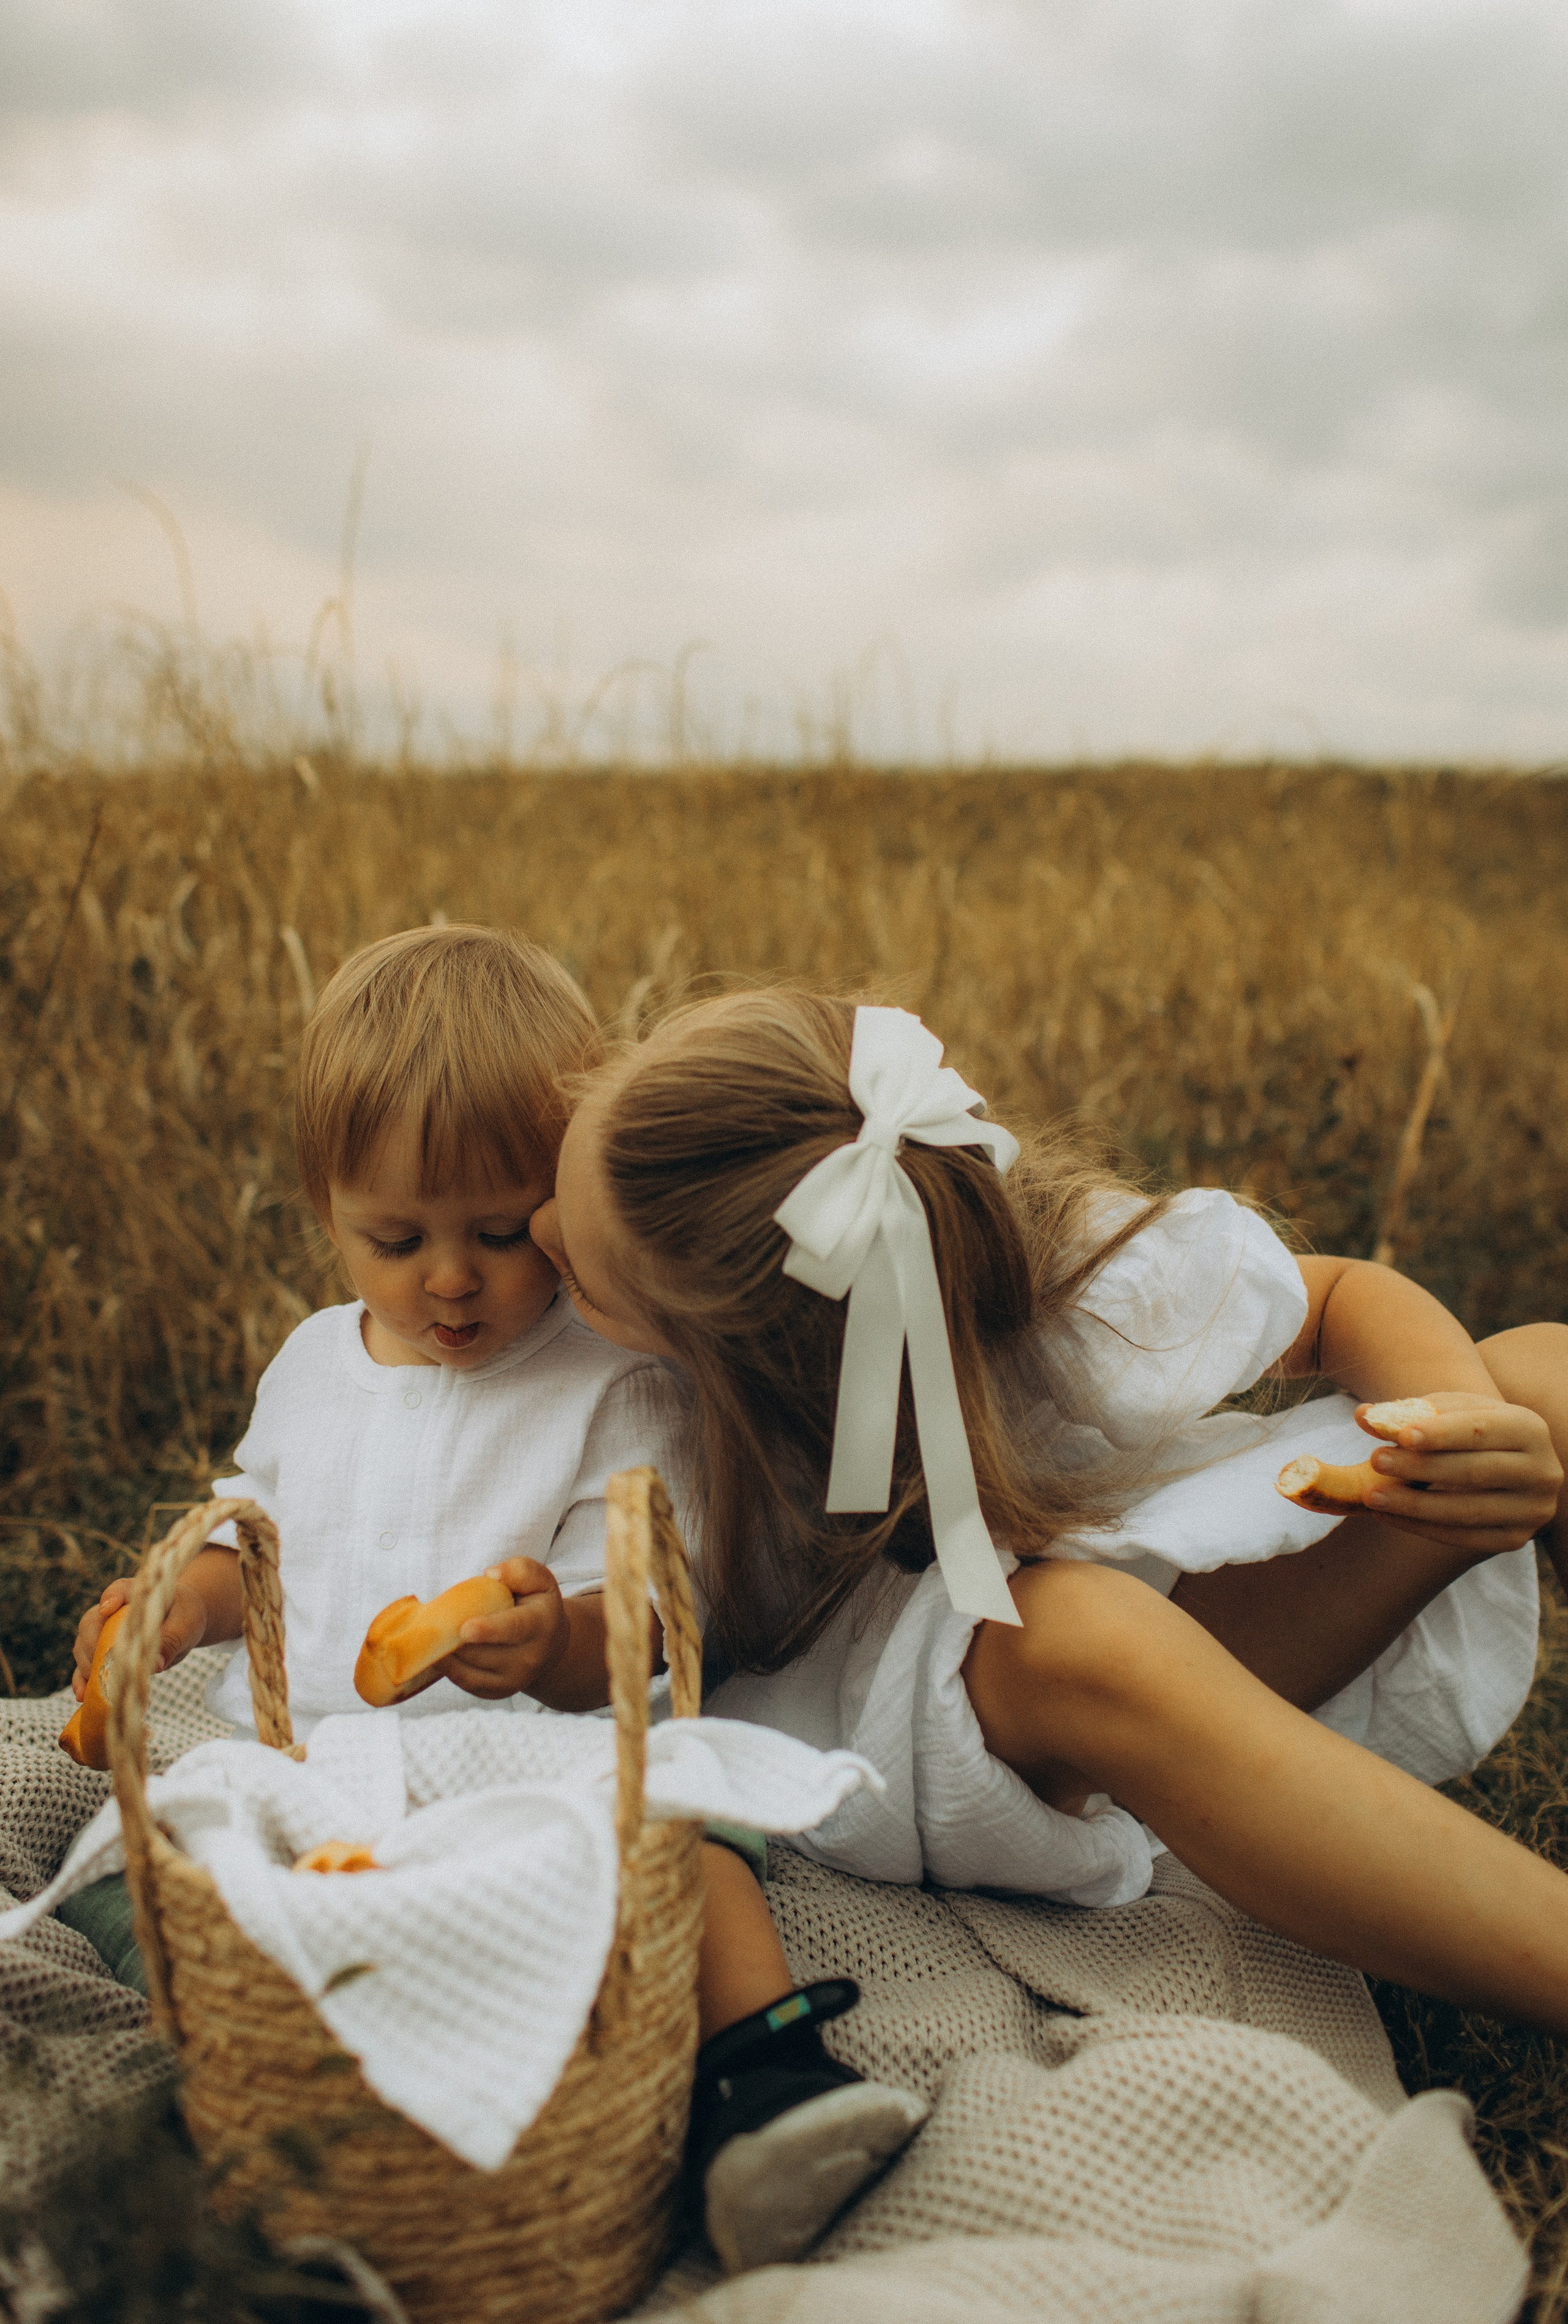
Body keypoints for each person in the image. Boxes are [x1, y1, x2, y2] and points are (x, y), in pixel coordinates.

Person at [64, 931, 924, 2274]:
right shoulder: (308, 1366)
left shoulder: (608, 1378)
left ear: (565, 1202)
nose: (450, 1279)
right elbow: (268, 1546)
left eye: (502, 1232)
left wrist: (555, 1642)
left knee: (690, 1816)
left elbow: (647, 1614)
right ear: (325, 1203)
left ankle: (764, 2084)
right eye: (394, 1238)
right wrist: (186, 1605)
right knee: (148, 1863)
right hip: (313, 1762)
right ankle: (246, 2081)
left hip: (533, 1758)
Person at [527, 987, 1568, 2036]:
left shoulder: (1023, 1255)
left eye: (573, 1269)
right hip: (930, 1706)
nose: (530, 1235)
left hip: (1133, 1570)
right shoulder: (656, 1432)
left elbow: (1340, 1297)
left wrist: (1454, 1423)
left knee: (1542, 1374)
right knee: (1082, 1633)